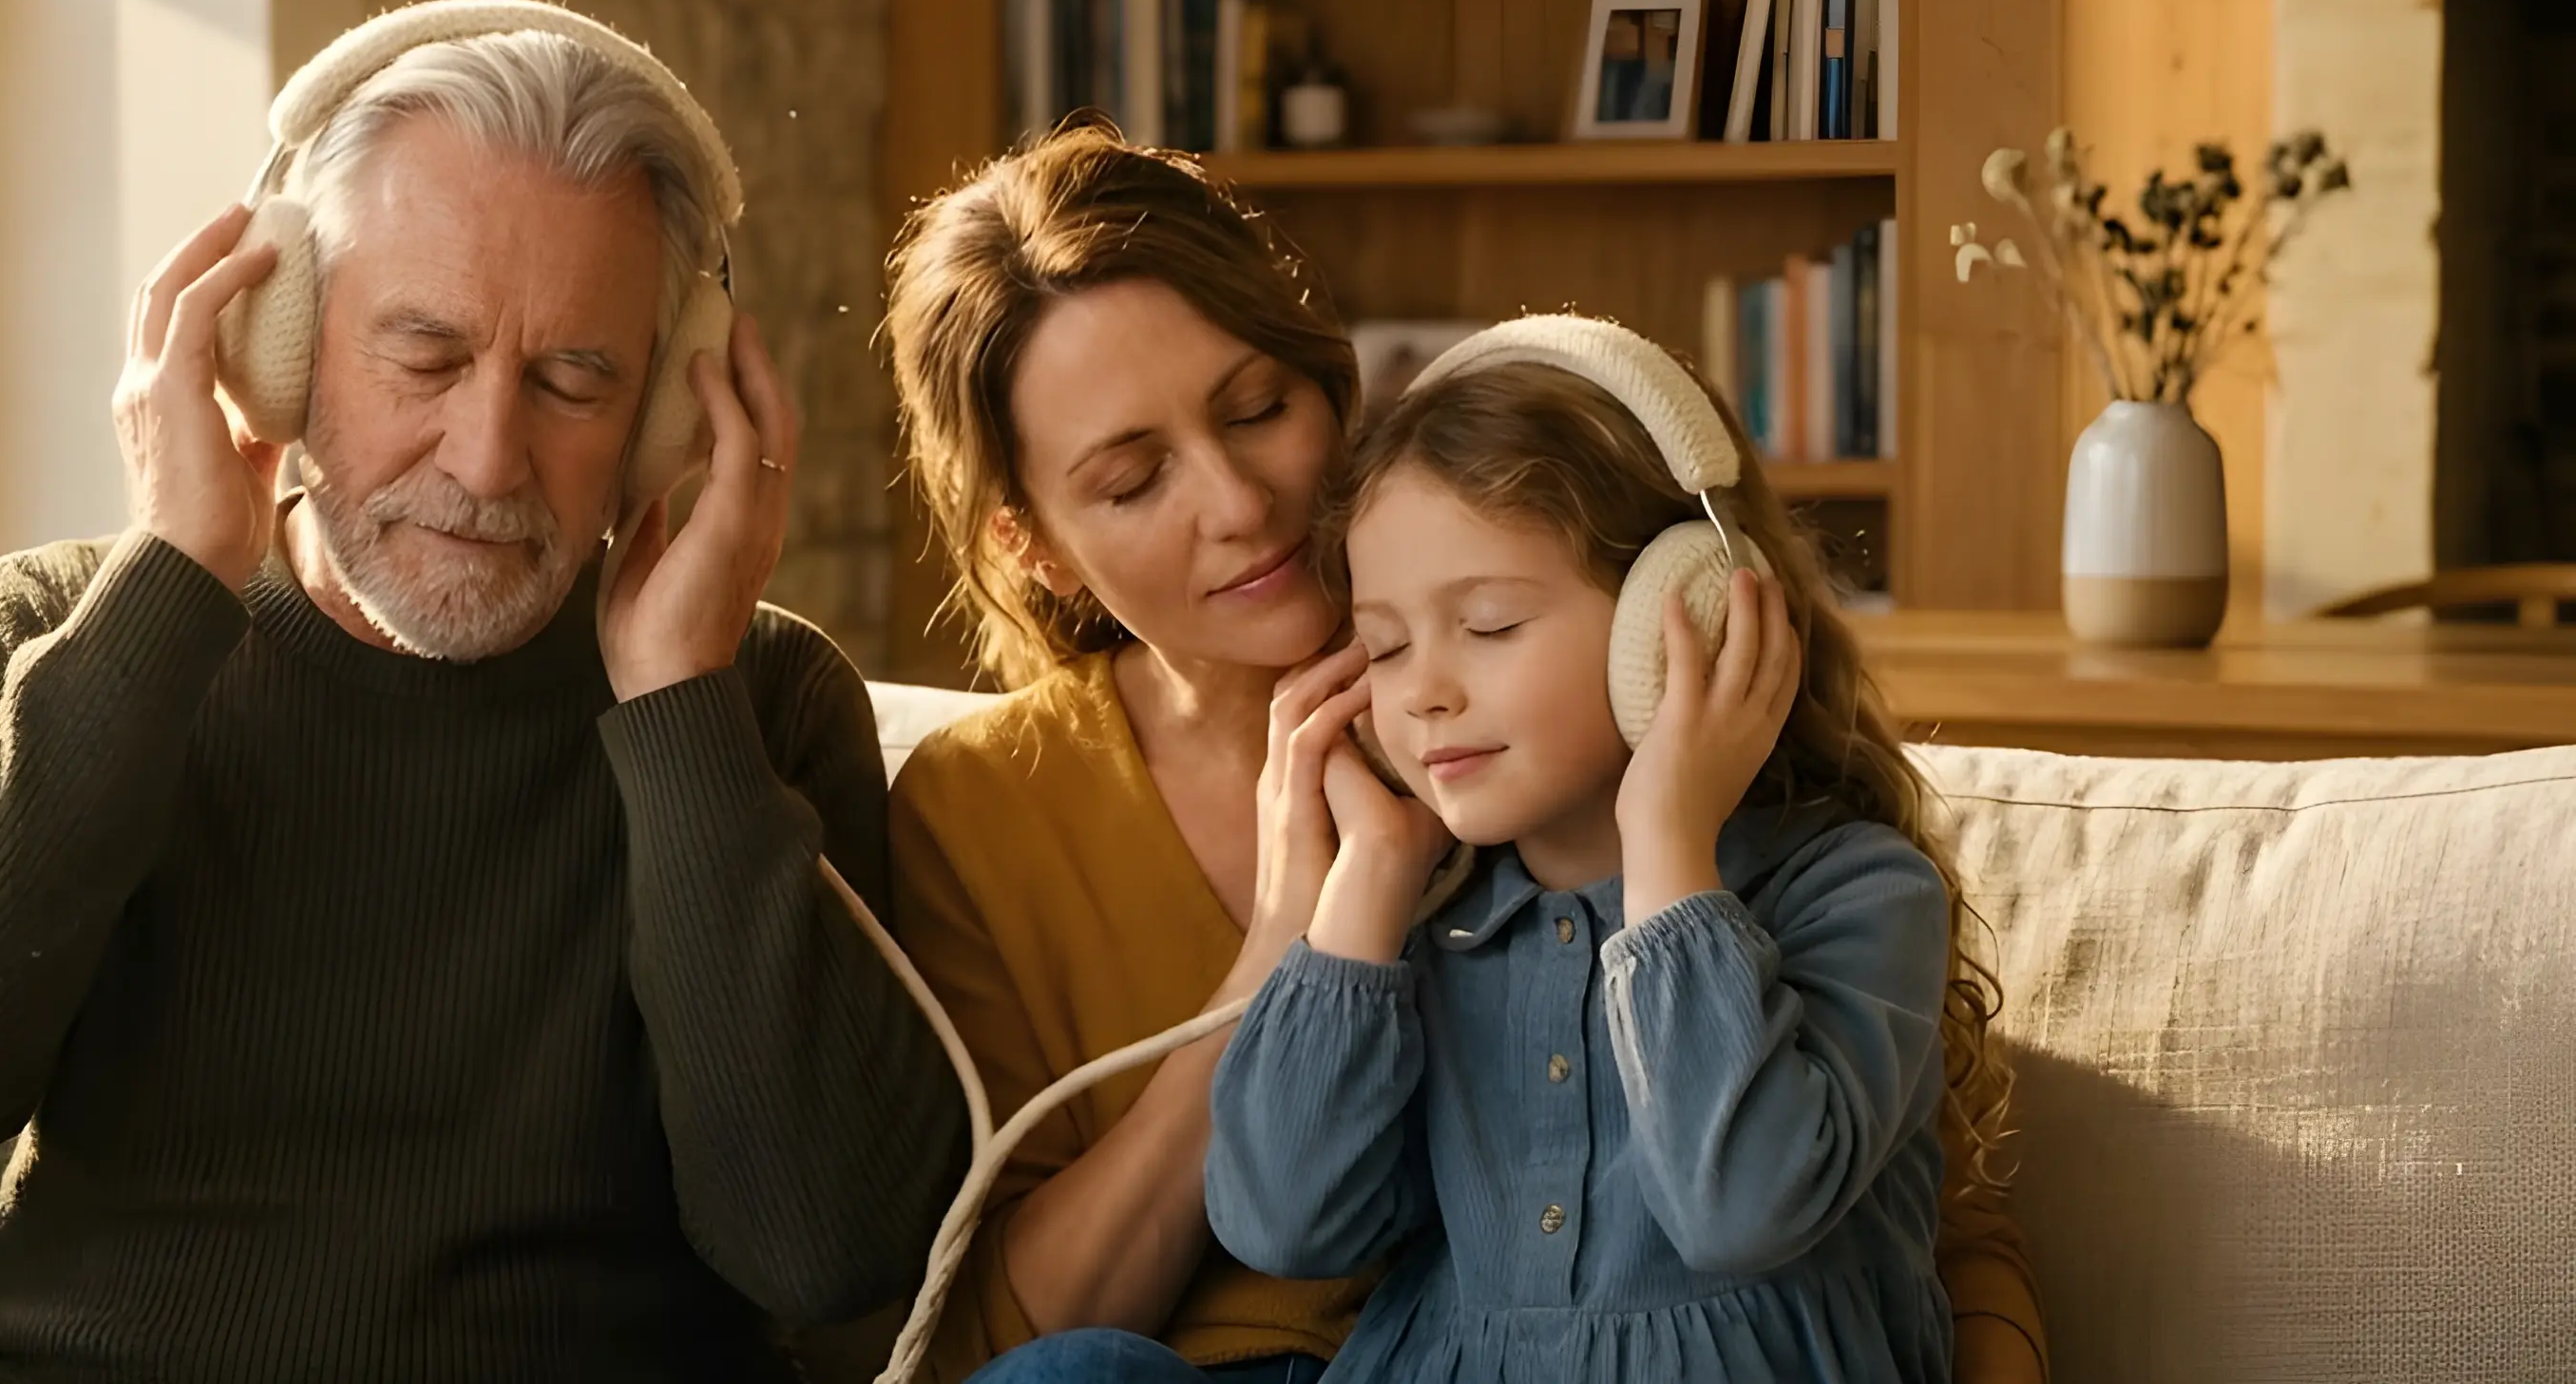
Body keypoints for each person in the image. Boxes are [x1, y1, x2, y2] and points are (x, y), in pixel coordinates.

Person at [0, 2, 964, 1384]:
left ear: (667, 415)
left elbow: (826, 1248)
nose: (487, 456)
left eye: (573, 379)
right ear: (274, 340)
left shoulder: (757, 699)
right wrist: (168, 586)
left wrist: (679, 711)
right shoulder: (47, 627)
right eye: (424, 355)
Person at [874, 125, 2045, 1384]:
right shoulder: (990, 802)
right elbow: (1038, 1317)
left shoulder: (1561, 735)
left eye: (1259, 409)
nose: (1238, 503)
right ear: (1035, 544)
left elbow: (1915, 1217)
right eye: (1130, 479)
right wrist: (1291, 940)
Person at [1204, 318, 2007, 1383]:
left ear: (1686, 618)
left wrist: (1666, 843)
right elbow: (1280, 1221)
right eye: (1385, 645)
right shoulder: (1435, 926)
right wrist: (1372, 873)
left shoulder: (1857, 894)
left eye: (1491, 625)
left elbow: (1736, 1207)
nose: (1423, 690)